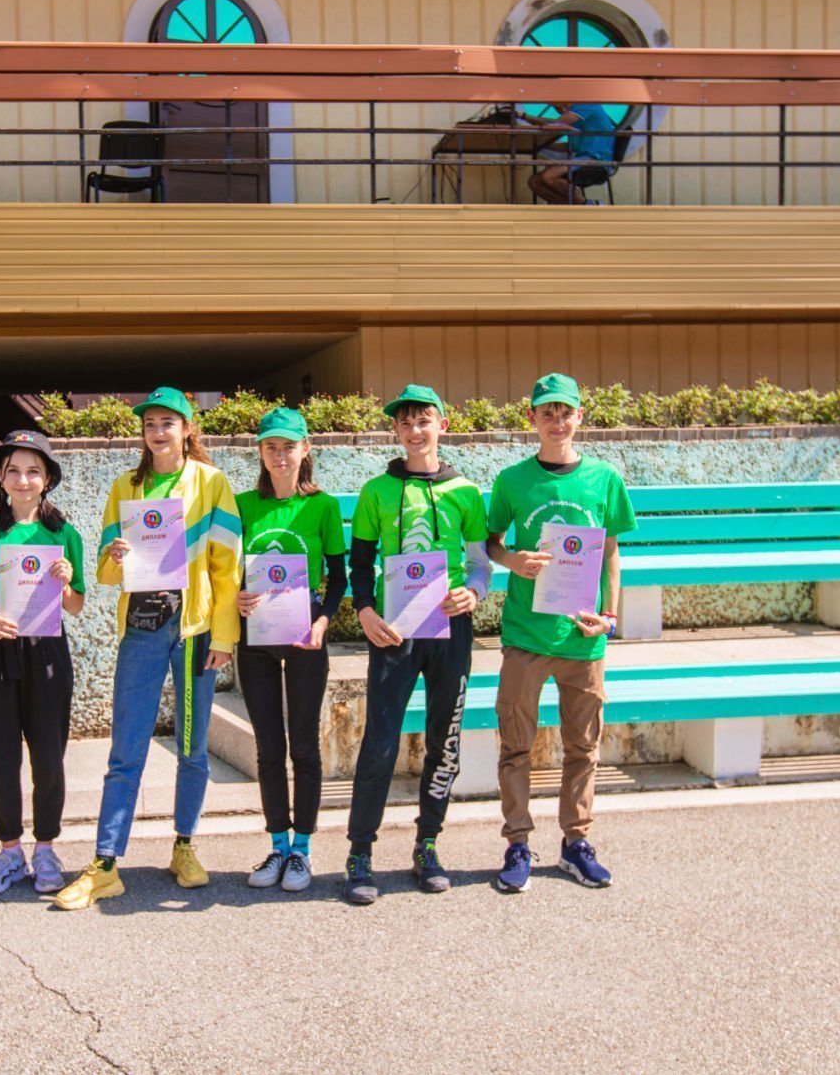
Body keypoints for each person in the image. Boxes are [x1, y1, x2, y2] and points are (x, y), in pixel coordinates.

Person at [55, 386, 242, 911]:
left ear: (187, 429)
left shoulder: (211, 483)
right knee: (126, 749)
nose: (158, 432)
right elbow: (105, 571)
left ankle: (184, 846)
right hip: (141, 629)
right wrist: (115, 555)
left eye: (167, 423)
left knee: (192, 748)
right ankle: (106, 864)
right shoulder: (126, 486)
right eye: (150, 424)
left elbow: (228, 565)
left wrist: (224, 636)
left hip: (194, 630)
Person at [484, 373, 637, 894]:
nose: (557, 421)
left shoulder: (603, 478)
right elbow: (490, 542)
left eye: (565, 411)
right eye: (547, 412)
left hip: (582, 637)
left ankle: (576, 842)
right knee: (516, 747)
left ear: (579, 417)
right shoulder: (512, 480)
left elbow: (611, 551)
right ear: (532, 418)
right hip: (526, 636)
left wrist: (610, 616)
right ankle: (517, 844)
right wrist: (512, 560)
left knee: (583, 747)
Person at [343, 385, 491, 905]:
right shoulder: (376, 491)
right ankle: (360, 852)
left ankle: (428, 843)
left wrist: (474, 593)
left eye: (423, 420)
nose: (414, 430)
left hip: (450, 630)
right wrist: (366, 611)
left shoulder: (466, 492)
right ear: (396, 431)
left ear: (441, 426)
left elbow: (479, 563)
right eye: (405, 423)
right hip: (395, 631)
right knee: (380, 742)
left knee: (443, 739)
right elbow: (360, 564)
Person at [0, 429, 86, 896]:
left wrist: (67, 582)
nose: (23, 479)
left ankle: (46, 848)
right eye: (12, 470)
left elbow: (75, 606)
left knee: (49, 755)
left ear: (47, 478)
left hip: (46, 648)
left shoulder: (64, 534)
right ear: (0, 476)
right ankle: (10, 850)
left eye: (33, 471)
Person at [233, 407, 347, 893]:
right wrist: (234, 596)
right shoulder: (241, 505)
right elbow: (223, 569)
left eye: (288, 446)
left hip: (305, 636)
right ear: (260, 452)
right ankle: (277, 845)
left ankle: (302, 849)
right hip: (254, 640)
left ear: (305, 450)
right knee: (268, 748)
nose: (280, 455)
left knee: (303, 746)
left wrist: (323, 622)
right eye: (271, 447)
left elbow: (338, 577)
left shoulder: (322, 507)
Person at [520, 102, 620, 205]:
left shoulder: (586, 105)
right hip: (582, 159)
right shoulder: (577, 121)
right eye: (557, 109)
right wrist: (541, 144)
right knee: (535, 181)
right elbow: (565, 143)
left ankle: (587, 203)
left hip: (597, 160)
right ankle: (574, 207)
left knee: (549, 176)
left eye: (562, 106)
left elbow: (555, 124)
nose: (562, 110)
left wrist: (523, 117)